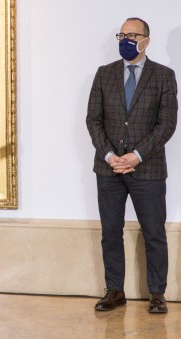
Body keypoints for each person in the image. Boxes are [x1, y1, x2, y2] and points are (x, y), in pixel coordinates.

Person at [86, 17, 177, 314]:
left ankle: (157, 294)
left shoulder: (164, 76)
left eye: (132, 35)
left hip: (147, 169)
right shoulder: (104, 74)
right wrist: (111, 156)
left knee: (153, 232)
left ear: (146, 40)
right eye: (122, 34)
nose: (125, 39)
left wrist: (137, 155)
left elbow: (167, 124)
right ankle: (114, 290)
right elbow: (94, 120)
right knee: (110, 231)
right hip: (108, 169)